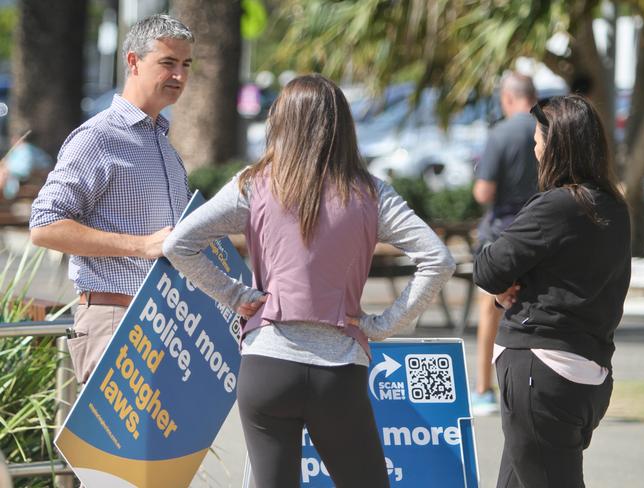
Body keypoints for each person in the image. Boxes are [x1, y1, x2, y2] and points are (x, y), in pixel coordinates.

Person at [163, 74, 456, 488]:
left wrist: (235, 296)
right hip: (337, 370)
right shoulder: (372, 193)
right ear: (342, 126)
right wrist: (383, 325)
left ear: (280, 122)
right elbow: (438, 259)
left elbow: (179, 244)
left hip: (266, 365)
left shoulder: (254, 183)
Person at [474, 95, 630, 488]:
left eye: (539, 139)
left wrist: (504, 286)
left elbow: (488, 268)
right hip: (586, 375)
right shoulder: (613, 207)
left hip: (541, 372)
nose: (535, 147)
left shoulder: (557, 206)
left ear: (558, 145)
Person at [29, 14, 194, 384]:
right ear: (133, 61)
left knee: (164, 446)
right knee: (119, 446)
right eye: (168, 63)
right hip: (116, 321)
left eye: (186, 65)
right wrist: (139, 246)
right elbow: (43, 227)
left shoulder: (164, 145)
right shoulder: (97, 138)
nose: (180, 76)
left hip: (168, 324)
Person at [471, 72, 539, 415]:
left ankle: (483, 388)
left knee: (490, 310)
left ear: (508, 98)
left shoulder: (500, 134)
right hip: (542, 231)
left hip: (502, 233)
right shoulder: (549, 131)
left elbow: (483, 191)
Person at [0, 134, 52, 200]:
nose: (12, 141)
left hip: (28, 178)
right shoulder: (17, 151)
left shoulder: (25, 150)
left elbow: (25, 171)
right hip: (15, 178)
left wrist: (7, 170)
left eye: (14, 139)